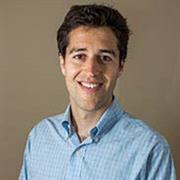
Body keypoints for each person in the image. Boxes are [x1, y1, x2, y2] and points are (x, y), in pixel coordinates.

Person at [19, 4, 176, 180]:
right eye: (79, 56)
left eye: (105, 58)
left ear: (120, 66)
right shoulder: (39, 137)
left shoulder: (150, 149)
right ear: (63, 63)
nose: (91, 71)